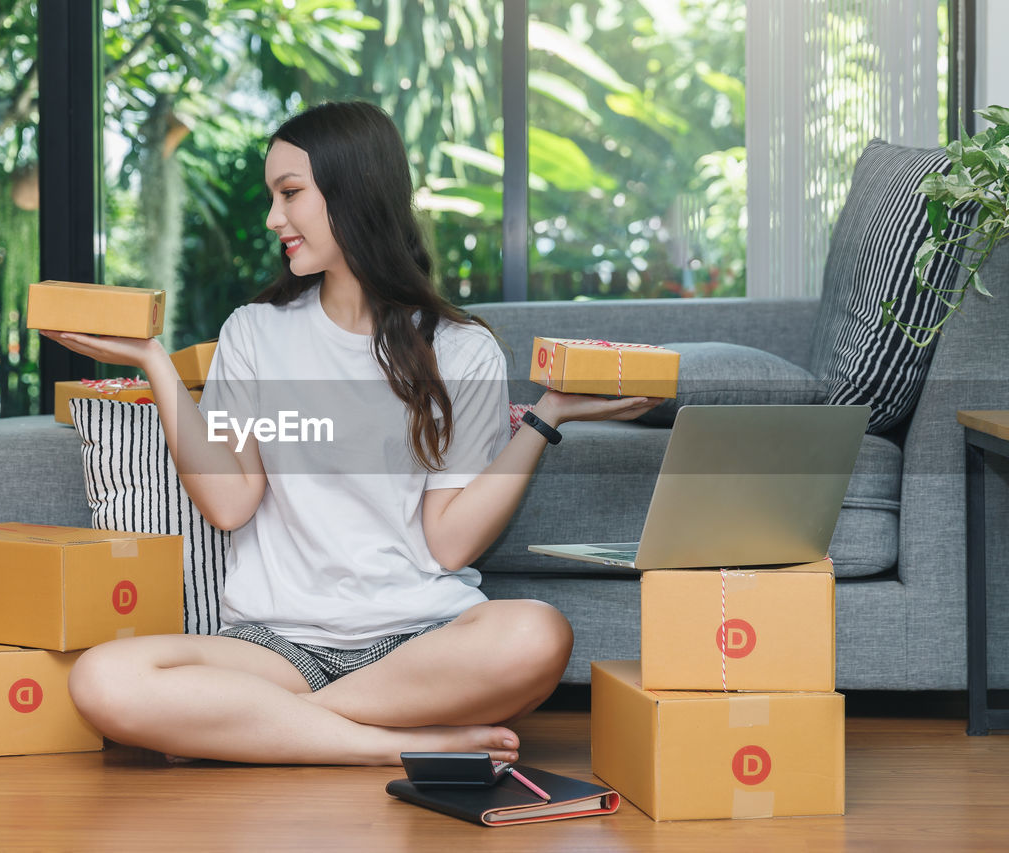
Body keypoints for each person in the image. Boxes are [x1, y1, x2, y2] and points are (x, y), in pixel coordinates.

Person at [41, 101, 659, 766]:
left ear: (354, 190)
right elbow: (229, 502)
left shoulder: (461, 348)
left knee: (539, 633)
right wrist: (154, 362)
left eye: (290, 193)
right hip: (277, 645)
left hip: (420, 641)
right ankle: (388, 746)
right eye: (273, 196)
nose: (274, 218)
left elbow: (447, 543)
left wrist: (546, 418)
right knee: (102, 678)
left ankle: (262, 730)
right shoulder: (253, 332)